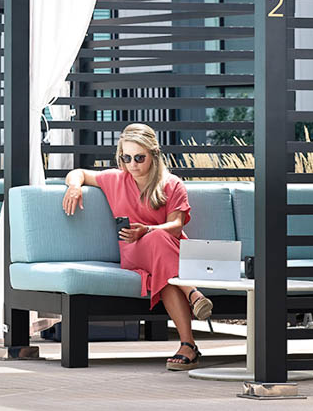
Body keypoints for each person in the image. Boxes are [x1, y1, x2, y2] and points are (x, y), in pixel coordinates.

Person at [60, 122, 211, 370]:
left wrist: (148, 229)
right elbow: (79, 172)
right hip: (134, 252)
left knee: (164, 272)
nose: (132, 164)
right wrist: (75, 187)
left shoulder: (171, 184)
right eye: (126, 157)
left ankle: (189, 345)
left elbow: (175, 225)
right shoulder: (115, 179)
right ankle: (193, 293)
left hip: (168, 254)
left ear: (153, 154)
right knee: (158, 248)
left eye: (139, 157)